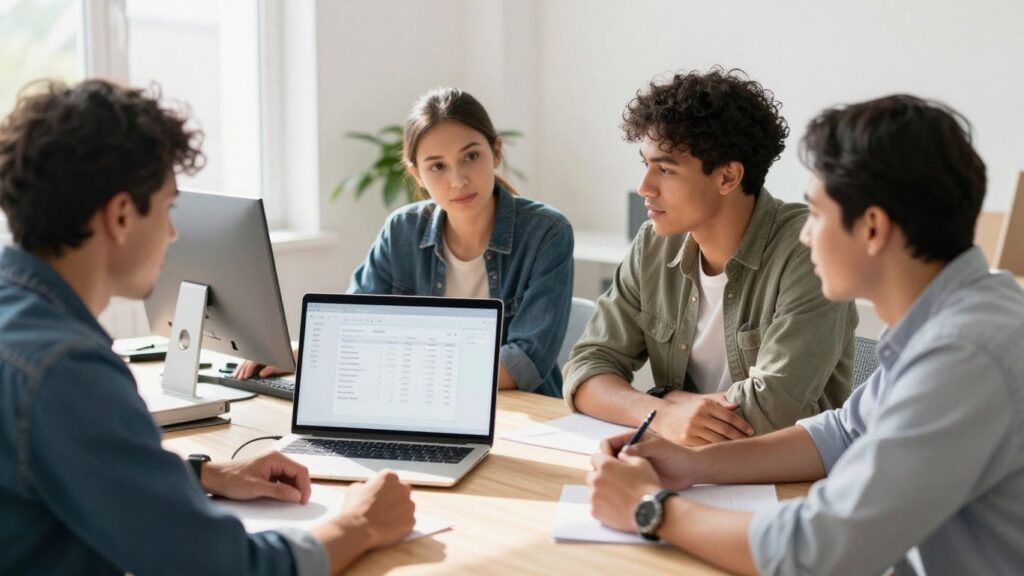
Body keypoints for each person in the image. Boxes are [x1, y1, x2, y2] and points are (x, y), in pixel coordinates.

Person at [588, 94, 1024, 575]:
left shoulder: (964, 354)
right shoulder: (955, 316)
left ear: (873, 229)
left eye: (817, 214)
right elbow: (842, 431)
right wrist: (691, 466)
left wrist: (652, 508)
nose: (805, 235)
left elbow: (822, 549)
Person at [0, 79, 414, 576]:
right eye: (170, 208)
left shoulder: (23, 326)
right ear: (121, 215)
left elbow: (65, 468)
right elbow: (225, 567)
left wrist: (202, 474)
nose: (174, 233)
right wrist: (360, 524)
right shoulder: (69, 371)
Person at [563, 68, 856, 445]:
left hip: (784, 483)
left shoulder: (807, 252)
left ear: (728, 177)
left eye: (665, 169)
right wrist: (661, 412)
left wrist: (661, 402)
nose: (644, 188)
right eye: (645, 165)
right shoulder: (653, 245)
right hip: (685, 464)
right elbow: (585, 370)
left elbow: (774, 412)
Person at [238, 87, 574, 398]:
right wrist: (301, 355)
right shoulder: (402, 230)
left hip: (521, 418)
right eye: (437, 166)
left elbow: (523, 364)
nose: (457, 180)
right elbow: (356, 327)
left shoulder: (546, 233)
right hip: (418, 404)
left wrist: (407, 368)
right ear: (417, 175)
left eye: (470, 157)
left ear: (496, 151)